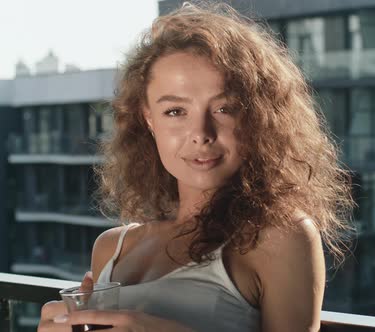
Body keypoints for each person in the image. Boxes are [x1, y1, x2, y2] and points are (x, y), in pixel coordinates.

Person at [37, 2, 354, 332]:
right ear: (148, 118)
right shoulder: (111, 248)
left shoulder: (279, 236)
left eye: (224, 108)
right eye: (175, 111)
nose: (201, 134)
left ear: (257, 117)